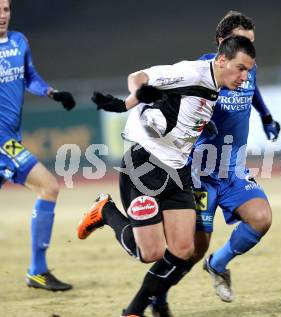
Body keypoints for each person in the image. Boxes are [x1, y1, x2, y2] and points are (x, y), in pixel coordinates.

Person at [77, 35, 256, 317]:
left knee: (184, 249)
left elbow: (186, 115)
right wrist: (138, 96)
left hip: (178, 170)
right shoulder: (190, 72)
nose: (245, 77)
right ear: (222, 60)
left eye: (248, 70)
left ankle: (133, 312)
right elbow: (138, 77)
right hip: (145, 166)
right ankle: (105, 211)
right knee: (147, 253)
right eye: (241, 68)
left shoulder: (214, 88)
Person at [152, 11, 280, 314]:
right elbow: (174, 99)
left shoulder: (248, 69)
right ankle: (157, 293)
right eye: (240, 43)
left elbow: (254, 89)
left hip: (233, 169)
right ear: (222, 43)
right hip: (201, 172)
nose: (248, 53)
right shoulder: (203, 70)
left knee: (261, 218)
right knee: (191, 249)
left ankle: (218, 265)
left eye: (251, 45)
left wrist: (265, 116)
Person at [0, 0, 75, 291]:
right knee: (49, 186)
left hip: (11, 137)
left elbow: (29, 77)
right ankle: (37, 270)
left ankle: (37, 271)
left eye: (5, 9)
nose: (2, 15)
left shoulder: (19, 41)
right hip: (2, 142)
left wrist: (51, 93)